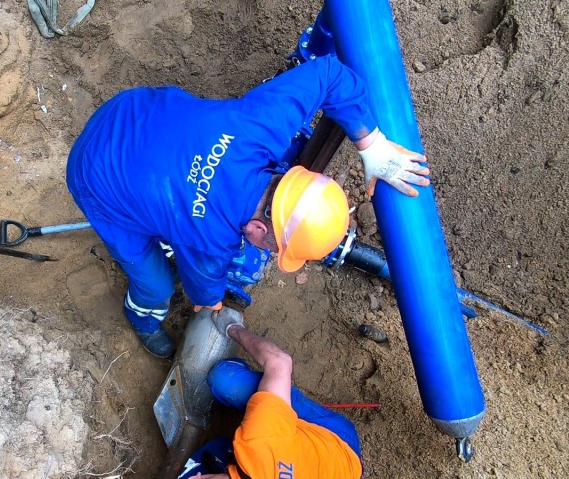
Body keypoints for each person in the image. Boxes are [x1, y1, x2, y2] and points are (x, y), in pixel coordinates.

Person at [65, 55, 429, 359]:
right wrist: (210, 304)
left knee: (170, 211)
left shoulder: (259, 126)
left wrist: (372, 143)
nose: (273, 253)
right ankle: (143, 317)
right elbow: (203, 287)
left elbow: (329, 73)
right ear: (257, 230)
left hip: (130, 112)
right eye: (276, 248)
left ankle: (158, 225)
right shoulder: (210, 239)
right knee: (156, 280)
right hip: (96, 176)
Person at [147, 314, 363, 479]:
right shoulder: (260, 444)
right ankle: (269, 404)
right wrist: (232, 328)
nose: (193, 474)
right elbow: (280, 362)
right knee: (224, 379)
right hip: (340, 450)